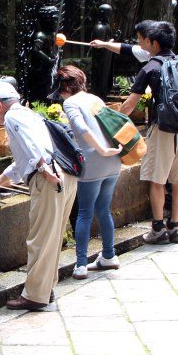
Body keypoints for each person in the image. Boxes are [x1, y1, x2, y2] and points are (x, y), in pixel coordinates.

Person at [0, 80, 78, 310]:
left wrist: (45, 170)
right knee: (51, 238)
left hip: (49, 178)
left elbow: (34, 148)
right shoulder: (28, 114)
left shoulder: (12, 118)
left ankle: (35, 295)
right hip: (66, 175)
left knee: (39, 239)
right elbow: (24, 156)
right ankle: (46, 289)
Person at [119, 21, 178, 244]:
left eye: (145, 41)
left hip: (162, 129)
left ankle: (157, 229)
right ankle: (174, 227)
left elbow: (129, 106)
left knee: (157, 179)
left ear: (154, 42)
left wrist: (109, 119)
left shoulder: (151, 67)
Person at [55, 66, 123, 279]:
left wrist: (100, 150)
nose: (58, 92)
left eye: (59, 87)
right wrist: (107, 150)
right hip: (113, 161)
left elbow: (81, 128)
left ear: (66, 85)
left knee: (84, 212)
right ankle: (109, 256)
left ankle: (81, 264)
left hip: (93, 162)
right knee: (103, 209)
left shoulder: (70, 103)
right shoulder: (95, 99)